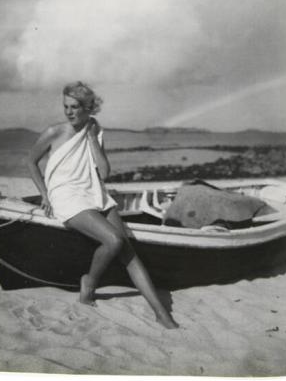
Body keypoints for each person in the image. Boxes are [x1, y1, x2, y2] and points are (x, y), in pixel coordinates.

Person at [28, 81, 178, 329]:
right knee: (114, 240)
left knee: (128, 252)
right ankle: (89, 282)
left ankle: (161, 314)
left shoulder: (95, 130)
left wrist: (92, 138)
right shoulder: (54, 132)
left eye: (75, 107)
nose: (69, 112)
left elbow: (105, 172)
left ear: (88, 108)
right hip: (66, 196)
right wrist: (44, 193)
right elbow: (31, 162)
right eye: (66, 106)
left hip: (93, 192)